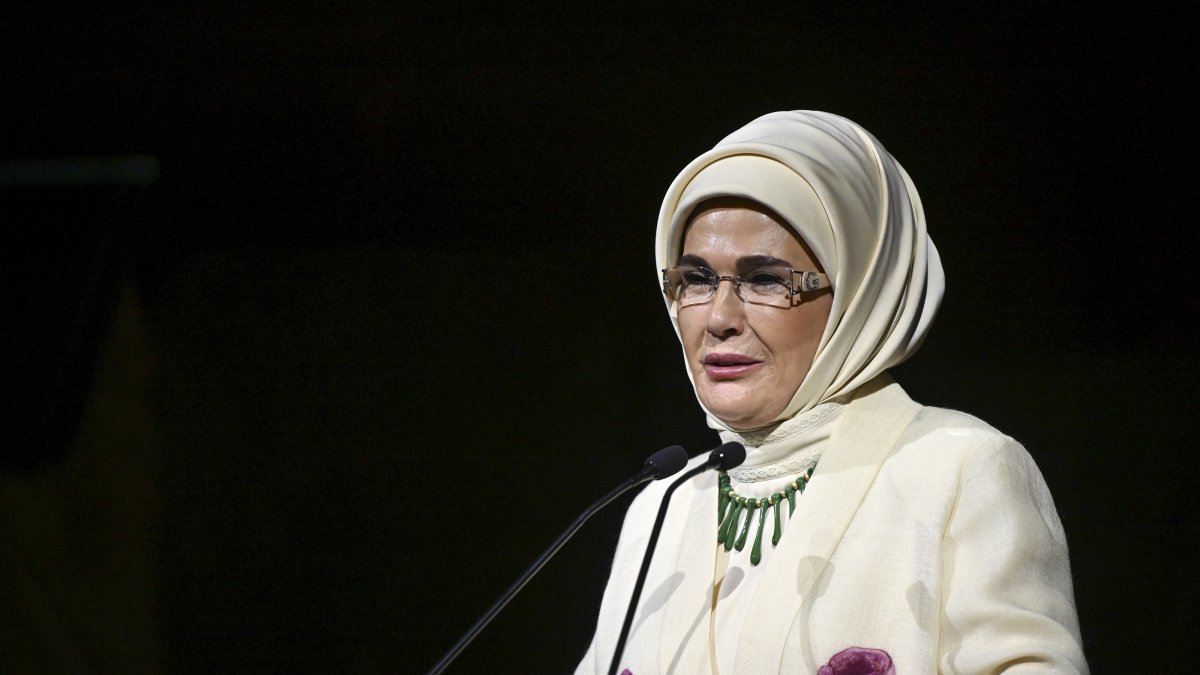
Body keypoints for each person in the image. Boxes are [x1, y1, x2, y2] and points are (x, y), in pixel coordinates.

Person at [575, 111, 1087, 674]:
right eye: (695, 279)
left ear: (858, 295)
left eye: (765, 278)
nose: (719, 317)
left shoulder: (959, 470)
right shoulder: (659, 506)